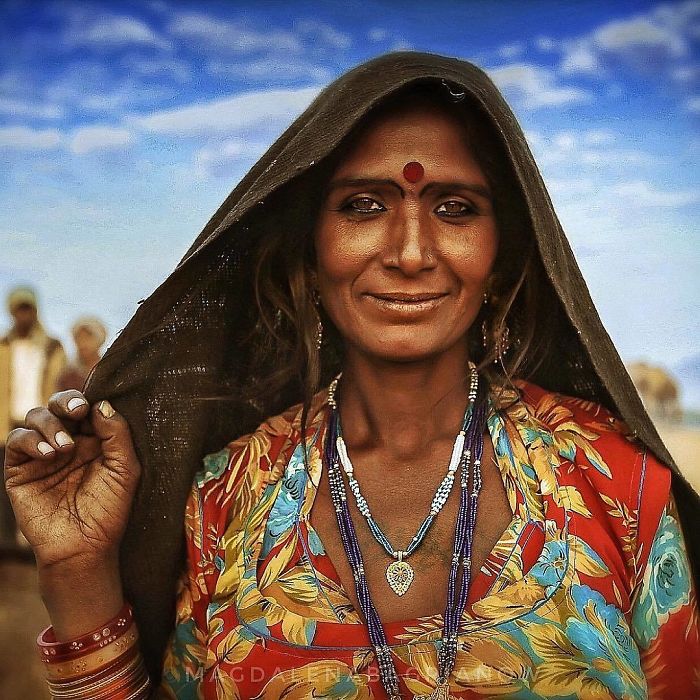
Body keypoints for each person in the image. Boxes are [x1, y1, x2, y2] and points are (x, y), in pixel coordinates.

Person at [4, 52, 700, 700]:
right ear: (309, 252)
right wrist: (77, 571)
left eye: (455, 208)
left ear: (503, 252)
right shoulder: (226, 497)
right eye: (364, 206)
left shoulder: (611, 479)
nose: (409, 251)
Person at [0, 286, 66, 550]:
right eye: (19, 309)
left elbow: (60, 383)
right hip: (6, 425)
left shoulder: (52, 347)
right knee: (4, 486)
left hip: (40, 424)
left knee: (40, 481)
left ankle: (37, 543)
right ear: (12, 312)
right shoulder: (3, 345)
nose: (23, 315)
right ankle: (6, 543)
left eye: (28, 309)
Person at [56, 316, 108, 392]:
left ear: (99, 339)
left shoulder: (107, 367)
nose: (83, 343)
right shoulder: (68, 373)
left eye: (88, 337)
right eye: (79, 337)